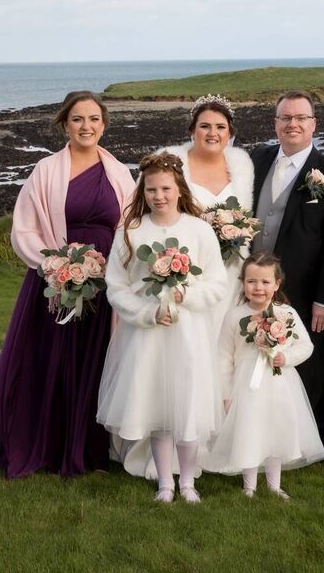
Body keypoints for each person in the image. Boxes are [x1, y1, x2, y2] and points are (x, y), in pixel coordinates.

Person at [0, 91, 136, 478]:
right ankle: (47, 445)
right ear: (65, 124)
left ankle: (92, 449)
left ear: (104, 124)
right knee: (52, 360)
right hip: (58, 281)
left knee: (97, 361)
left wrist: (122, 268)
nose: (87, 127)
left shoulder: (117, 171)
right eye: (78, 119)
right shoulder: (46, 171)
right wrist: (54, 264)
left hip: (104, 280)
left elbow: (131, 225)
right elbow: (24, 228)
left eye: (94, 119)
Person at [97, 152, 228, 503]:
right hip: (148, 335)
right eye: (152, 190)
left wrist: (186, 295)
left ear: (179, 189)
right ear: (143, 191)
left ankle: (187, 481)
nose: (159, 196)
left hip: (188, 334)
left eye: (166, 189)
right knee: (156, 405)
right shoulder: (132, 232)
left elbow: (216, 283)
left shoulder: (198, 230)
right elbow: (117, 285)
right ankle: (165, 483)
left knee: (185, 405)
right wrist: (146, 313)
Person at [251, 90, 324, 452]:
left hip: (306, 290)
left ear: (313, 124)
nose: (292, 124)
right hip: (251, 286)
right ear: (275, 123)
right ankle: (258, 441)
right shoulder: (257, 159)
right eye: (285, 118)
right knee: (254, 360)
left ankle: (312, 446)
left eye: (300, 118)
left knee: (307, 366)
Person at [206, 252, 324, 499]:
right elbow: (224, 358)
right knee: (249, 431)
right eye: (252, 281)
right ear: (242, 283)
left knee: (275, 432)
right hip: (246, 387)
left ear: (277, 284)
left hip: (279, 384)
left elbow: (306, 346)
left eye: (265, 282)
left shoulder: (287, 314)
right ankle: (249, 485)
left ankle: (274, 485)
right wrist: (226, 394)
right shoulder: (234, 316)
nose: (258, 287)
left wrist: (286, 357)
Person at [161, 93, 255, 332]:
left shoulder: (242, 165)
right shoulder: (170, 162)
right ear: (193, 130)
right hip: (187, 274)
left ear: (230, 133)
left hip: (231, 275)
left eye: (220, 127)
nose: (213, 133)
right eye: (205, 126)